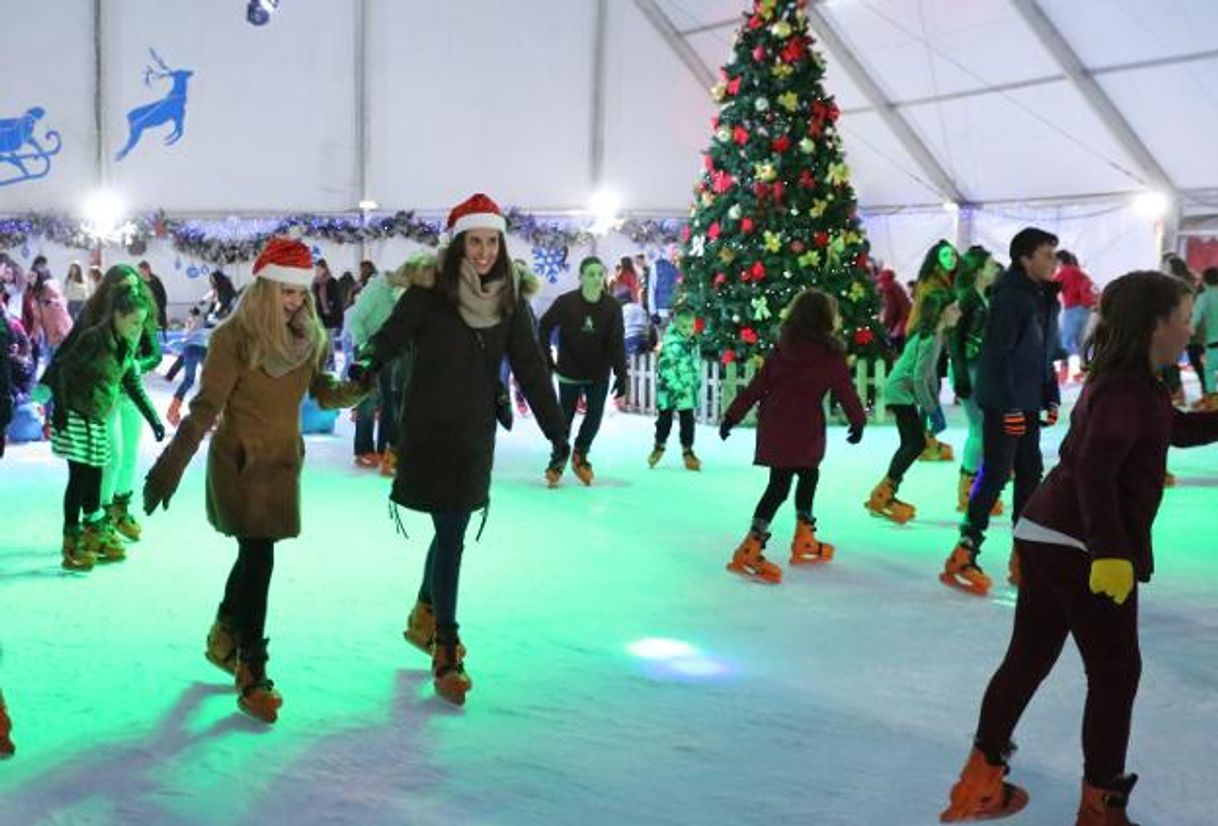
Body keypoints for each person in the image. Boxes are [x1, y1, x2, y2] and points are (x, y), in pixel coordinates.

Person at [939, 271, 1217, 825]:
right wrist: (1110, 551)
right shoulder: (1125, 389)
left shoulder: (1133, 383)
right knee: (1116, 672)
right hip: (1079, 541)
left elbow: (1172, 430)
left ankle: (980, 780)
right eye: (1183, 319)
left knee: (1029, 657)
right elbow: (1095, 469)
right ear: (1152, 325)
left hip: (1046, 530)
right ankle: (1100, 807)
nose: (1191, 329)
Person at [348, 193, 568, 706]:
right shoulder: (429, 291)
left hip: (474, 432)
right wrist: (365, 364)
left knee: (452, 529)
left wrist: (558, 428)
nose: (485, 251)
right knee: (449, 533)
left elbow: (531, 365)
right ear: (460, 243)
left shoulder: (511, 300)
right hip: (428, 427)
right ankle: (445, 645)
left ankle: (427, 614)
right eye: (476, 241)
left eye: (492, 241)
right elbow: (392, 335)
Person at [143, 237, 369, 724]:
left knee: (253, 557)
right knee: (258, 556)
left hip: (283, 463)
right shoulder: (235, 337)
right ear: (264, 288)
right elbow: (205, 410)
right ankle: (251, 666)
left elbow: (321, 392)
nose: (295, 302)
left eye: (300, 293)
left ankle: (225, 634)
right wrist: (170, 465)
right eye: (286, 292)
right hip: (241, 464)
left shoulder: (306, 337)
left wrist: (358, 386)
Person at [943, 227, 1061, 597]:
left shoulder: (1042, 298)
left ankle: (1023, 555)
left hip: (1028, 401)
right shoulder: (1011, 298)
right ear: (1025, 259)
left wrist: (1051, 394)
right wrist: (1008, 405)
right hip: (1006, 402)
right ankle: (965, 551)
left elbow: (1044, 354)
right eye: (1046, 255)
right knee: (995, 474)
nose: (1052, 262)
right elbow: (998, 355)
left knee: (1030, 475)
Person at [721, 289, 866, 583]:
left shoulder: (782, 349)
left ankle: (795, 537)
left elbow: (756, 387)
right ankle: (756, 545)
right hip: (805, 428)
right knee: (800, 478)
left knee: (784, 482)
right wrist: (857, 420)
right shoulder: (830, 355)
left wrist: (731, 416)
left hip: (777, 425)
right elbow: (846, 391)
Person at [43, 273, 164, 570]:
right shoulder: (94, 338)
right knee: (80, 477)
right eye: (134, 323)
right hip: (76, 415)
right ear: (118, 313)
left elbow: (134, 384)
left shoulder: (124, 345)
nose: (139, 331)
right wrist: (58, 406)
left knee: (96, 473)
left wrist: (155, 420)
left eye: (141, 324)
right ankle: (71, 539)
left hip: (96, 415)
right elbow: (62, 367)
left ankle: (95, 525)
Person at [866, 290, 959, 525]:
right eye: (954, 309)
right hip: (901, 393)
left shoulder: (936, 336)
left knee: (912, 443)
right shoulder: (928, 340)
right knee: (914, 443)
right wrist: (932, 408)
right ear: (940, 313)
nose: (959, 312)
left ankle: (886, 492)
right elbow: (919, 378)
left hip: (904, 393)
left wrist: (933, 405)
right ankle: (883, 493)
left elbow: (927, 377)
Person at [537, 256, 628, 486]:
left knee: (594, 418)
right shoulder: (566, 302)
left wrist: (621, 373)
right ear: (580, 277)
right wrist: (547, 359)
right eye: (591, 274)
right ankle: (558, 459)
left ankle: (580, 454)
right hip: (569, 371)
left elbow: (617, 341)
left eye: (600, 274)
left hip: (599, 372)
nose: (597, 279)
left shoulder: (612, 307)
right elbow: (544, 326)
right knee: (563, 419)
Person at [948, 246, 1004, 515]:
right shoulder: (967, 297)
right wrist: (959, 372)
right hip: (969, 368)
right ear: (980, 269)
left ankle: (977, 487)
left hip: (981, 368)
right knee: (978, 428)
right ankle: (968, 489)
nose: (995, 268)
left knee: (985, 429)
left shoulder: (985, 295)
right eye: (991, 264)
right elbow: (953, 337)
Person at [347, 256, 412, 473]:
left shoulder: (403, 295)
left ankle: (386, 448)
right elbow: (355, 319)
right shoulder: (376, 290)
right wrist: (366, 348)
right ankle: (363, 449)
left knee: (391, 401)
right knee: (369, 398)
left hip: (390, 350)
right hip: (368, 347)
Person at [648, 305, 702, 470]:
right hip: (670, 391)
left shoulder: (692, 343)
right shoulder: (671, 345)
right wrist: (677, 386)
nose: (688, 330)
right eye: (684, 327)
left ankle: (688, 450)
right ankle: (659, 445)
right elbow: (667, 369)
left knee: (688, 421)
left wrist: (694, 382)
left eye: (691, 326)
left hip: (686, 390)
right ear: (676, 326)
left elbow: (695, 364)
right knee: (664, 421)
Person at [1055, 249, 1096, 381]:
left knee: (1066, 341)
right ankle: (1082, 370)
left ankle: (1069, 371)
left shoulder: (1066, 271)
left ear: (1060, 260)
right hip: (1085, 309)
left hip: (1073, 308)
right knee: (1079, 341)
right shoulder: (1079, 272)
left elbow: (1050, 287)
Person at [166, 306, 210, 426]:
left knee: (188, 380)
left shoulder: (194, 323)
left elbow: (183, 339)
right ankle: (210, 413)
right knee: (210, 381)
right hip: (202, 350)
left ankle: (172, 409)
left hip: (189, 349)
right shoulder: (205, 325)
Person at [1190, 266, 1218, 410]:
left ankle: (1213, 406)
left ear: (1204, 281)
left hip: (1213, 345)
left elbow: (1194, 321)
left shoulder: (1203, 297)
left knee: (1209, 372)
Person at [312, 258, 342, 367]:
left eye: (319, 268)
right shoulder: (315, 282)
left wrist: (330, 308)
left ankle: (330, 360)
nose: (317, 271)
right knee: (320, 339)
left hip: (329, 315)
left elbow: (337, 298)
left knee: (328, 338)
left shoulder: (331, 281)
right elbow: (314, 297)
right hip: (319, 314)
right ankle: (323, 358)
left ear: (325, 269)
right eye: (316, 269)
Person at [137, 260, 168, 337]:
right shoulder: (140, 283)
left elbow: (163, 296)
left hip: (157, 312)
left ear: (147, 270)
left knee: (158, 335)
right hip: (145, 313)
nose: (140, 273)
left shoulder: (155, 281)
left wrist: (158, 308)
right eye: (139, 271)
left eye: (141, 271)